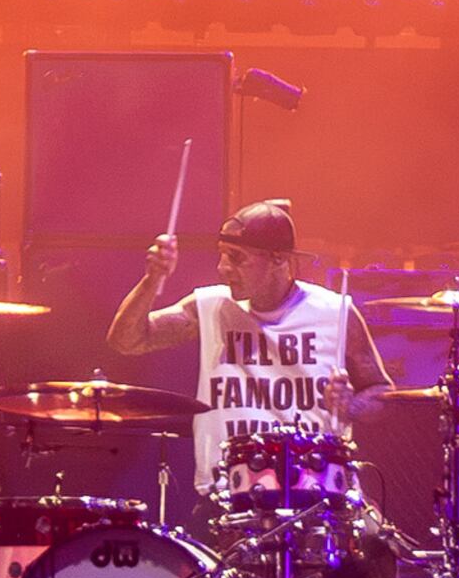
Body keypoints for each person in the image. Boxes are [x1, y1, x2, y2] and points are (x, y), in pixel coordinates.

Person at [107, 197, 392, 507]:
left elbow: (381, 394)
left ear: (279, 259)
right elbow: (127, 340)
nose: (223, 268)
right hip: (229, 494)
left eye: (237, 258)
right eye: (222, 256)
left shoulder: (333, 312)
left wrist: (351, 405)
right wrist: (152, 280)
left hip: (314, 494)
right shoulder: (213, 306)